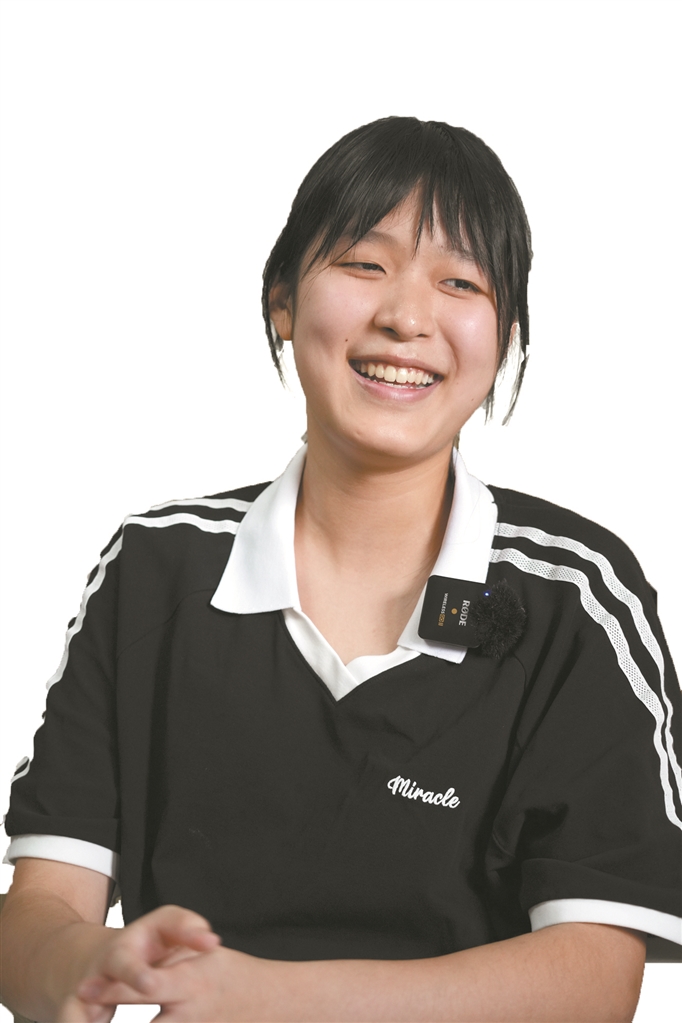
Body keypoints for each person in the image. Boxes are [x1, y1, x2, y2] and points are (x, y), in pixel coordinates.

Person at [1, 117, 680, 1023]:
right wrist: (92, 963)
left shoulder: (576, 596)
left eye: (461, 281)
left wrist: (269, 996)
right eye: (365, 263)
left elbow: (592, 980)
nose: (407, 316)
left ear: (506, 333)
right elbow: (40, 912)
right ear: (282, 298)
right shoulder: (155, 567)